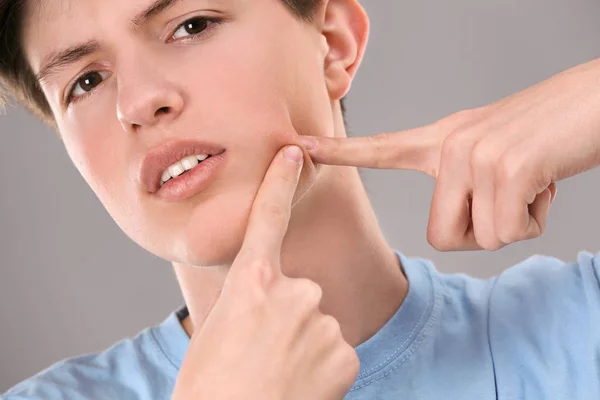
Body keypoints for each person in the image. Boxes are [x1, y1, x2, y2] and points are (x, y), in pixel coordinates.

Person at [1, 0, 599, 398]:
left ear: (334, 44)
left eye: (192, 25)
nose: (137, 103)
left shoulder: (576, 330)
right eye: (86, 81)